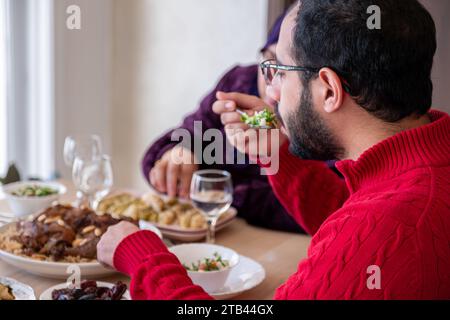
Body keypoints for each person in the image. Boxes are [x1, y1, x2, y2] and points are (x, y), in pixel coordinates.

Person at [98, 0, 450, 299]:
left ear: (328, 89)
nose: (273, 92)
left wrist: (144, 259)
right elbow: (345, 214)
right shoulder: (424, 163)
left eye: (280, 70)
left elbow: (365, 233)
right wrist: (278, 157)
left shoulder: (387, 226)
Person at [141, 13, 303, 233]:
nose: (271, 83)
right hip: (222, 233)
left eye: (287, 71)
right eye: (268, 60)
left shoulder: (321, 121)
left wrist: (222, 191)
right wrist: (184, 151)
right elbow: (180, 139)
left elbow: (313, 210)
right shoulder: (240, 83)